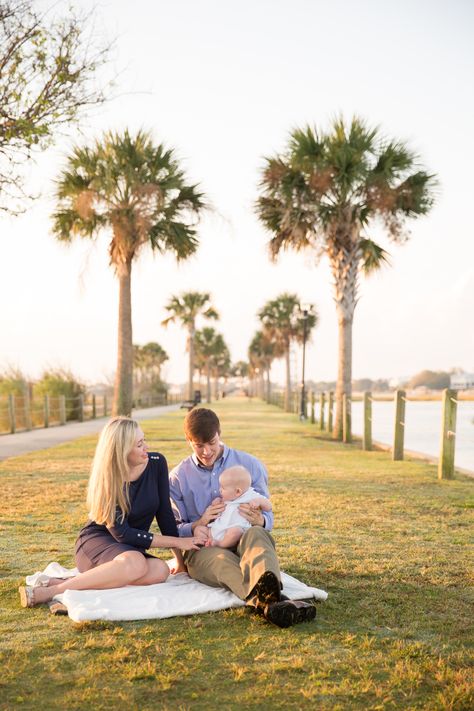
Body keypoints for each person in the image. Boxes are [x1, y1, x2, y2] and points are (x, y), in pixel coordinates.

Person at [19, 416, 203, 608]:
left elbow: (165, 515)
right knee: (136, 562)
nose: (146, 447)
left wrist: (179, 560)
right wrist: (180, 542)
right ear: (122, 451)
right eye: (139, 445)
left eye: (144, 440)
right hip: (97, 542)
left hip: (130, 550)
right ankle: (51, 591)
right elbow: (123, 534)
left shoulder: (156, 462)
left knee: (160, 570)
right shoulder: (110, 480)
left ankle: (67, 583)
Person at [169, 407, 316, 628]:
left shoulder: (250, 465)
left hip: (245, 539)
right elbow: (174, 528)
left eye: (211, 442)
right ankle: (276, 603)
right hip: (207, 546)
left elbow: (268, 516)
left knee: (257, 533)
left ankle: (267, 601)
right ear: (188, 441)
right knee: (220, 562)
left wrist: (261, 521)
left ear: (220, 434)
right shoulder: (178, 477)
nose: (206, 451)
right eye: (199, 445)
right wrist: (198, 524)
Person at [207, 465, 272, 549]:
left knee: (235, 532)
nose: (220, 490)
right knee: (199, 529)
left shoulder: (250, 496)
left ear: (237, 491)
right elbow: (217, 507)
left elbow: (268, 506)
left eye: (223, 487)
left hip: (234, 532)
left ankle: (220, 544)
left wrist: (258, 502)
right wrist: (216, 502)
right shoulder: (227, 498)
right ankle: (206, 541)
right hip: (217, 528)